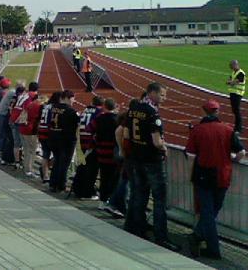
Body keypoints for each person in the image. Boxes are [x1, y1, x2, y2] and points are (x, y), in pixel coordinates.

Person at [186, 99, 245, 260]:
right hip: (223, 176)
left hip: (203, 176)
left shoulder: (197, 130)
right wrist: (230, 160)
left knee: (207, 213)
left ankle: (212, 248)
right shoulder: (228, 130)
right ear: (217, 112)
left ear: (204, 112)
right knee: (212, 212)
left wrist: (189, 176)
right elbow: (241, 153)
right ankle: (197, 236)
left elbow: (191, 156)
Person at [124, 82, 179, 251]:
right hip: (152, 160)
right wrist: (164, 147)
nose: (164, 98)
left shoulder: (133, 109)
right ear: (152, 93)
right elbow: (156, 141)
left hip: (136, 158)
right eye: (162, 95)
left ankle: (137, 228)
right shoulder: (152, 112)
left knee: (139, 195)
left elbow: (127, 135)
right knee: (159, 200)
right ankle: (161, 236)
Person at [71, 96, 103, 199]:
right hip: (90, 141)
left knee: (82, 166)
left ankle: (78, 188)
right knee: (90, 168)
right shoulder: (99, 112)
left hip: (81, 139)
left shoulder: (85, 110)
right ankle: (86, 191)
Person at [48, 90, 79, 192]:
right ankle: (61, 184)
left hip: (53, 137)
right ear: (67, 98)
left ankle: (53, 183)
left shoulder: (53, 108)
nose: (73, 100)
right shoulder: (70, 111)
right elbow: (76, 125)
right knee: (64, 164)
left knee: (57, 161)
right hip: (65, 140)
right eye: (72, 98)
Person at [93, 98, 119, 209]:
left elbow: (90, 129)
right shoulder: (116, 120)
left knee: (103, 177)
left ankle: (102, 201)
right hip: (112, 152)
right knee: (113, 178)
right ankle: (110, 200)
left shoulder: (99, 118)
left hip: (101, 151)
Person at [18, 82, 42, 178]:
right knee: (31, 150)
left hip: (23, 128)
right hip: (30, 130)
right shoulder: (36, 106)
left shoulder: (28, 104)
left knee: (27, 149)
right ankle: (29, 170)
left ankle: (27, 168)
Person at [38, 92, 61, 183]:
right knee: (57, 154)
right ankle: (46, 171)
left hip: (41, 131)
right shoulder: (54, 108)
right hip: (49, 132)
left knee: (45, 154)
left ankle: (45, 175)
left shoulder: (45, 106)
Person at [226, 59, 245, 132]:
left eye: (231, 66)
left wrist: (231, 82)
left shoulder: (241, 73)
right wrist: (230, 82)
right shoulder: (233, 72)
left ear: (235, 65)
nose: (231, 68)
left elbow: (234, 82)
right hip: (233, 93)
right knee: (234, 110)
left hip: (238, 93)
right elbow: (228, 81)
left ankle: (239, 128)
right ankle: (237, 127)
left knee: (237, 110)